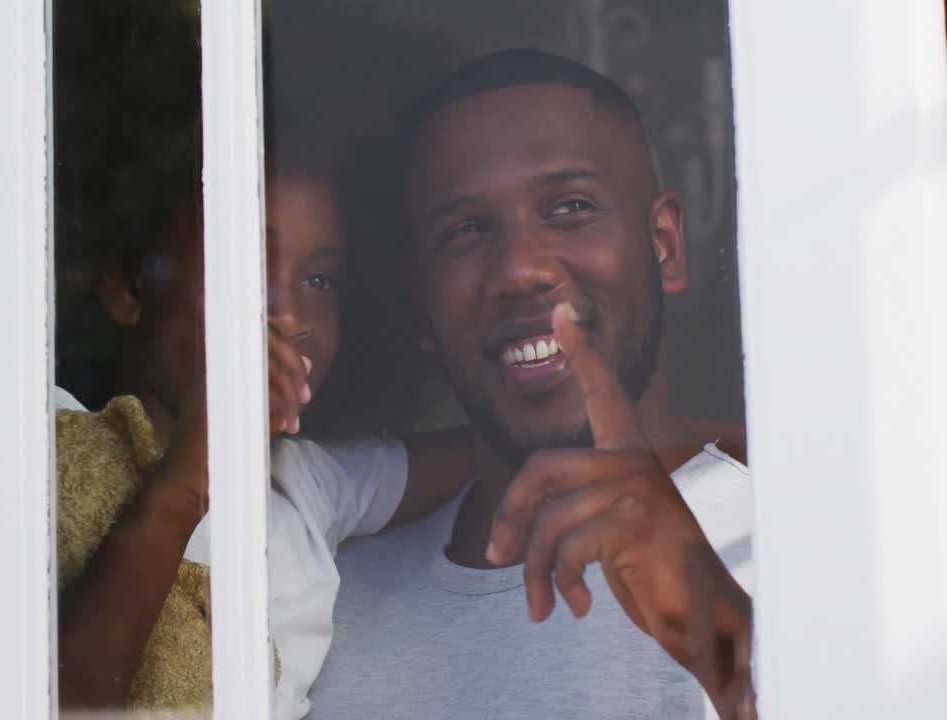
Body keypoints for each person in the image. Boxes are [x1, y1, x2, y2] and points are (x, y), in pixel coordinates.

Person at [307, 49, 755, 720]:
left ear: (663, 243)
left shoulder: (814, 535)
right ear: (421, 303)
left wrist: (725, 649)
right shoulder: (330, 614)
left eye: (570, 207)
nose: (519, 270)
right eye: (466, 231)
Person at [55, 129, 476, 717]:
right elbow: (57, 697)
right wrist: (186, 482)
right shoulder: (48, 445)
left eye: (322, 280)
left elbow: (494, 451)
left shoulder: (303, 486)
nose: (289, 313)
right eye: (248, 260)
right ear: (129, 284)